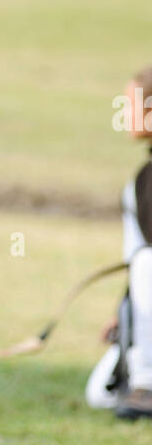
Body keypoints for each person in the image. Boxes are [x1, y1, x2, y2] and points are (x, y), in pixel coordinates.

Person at [86, 67, 152, 420]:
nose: (124, 114)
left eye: (130, 105)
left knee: (147, 261)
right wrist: (124, 315)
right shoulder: (140, 181)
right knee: (100, 393)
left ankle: (147, 386)